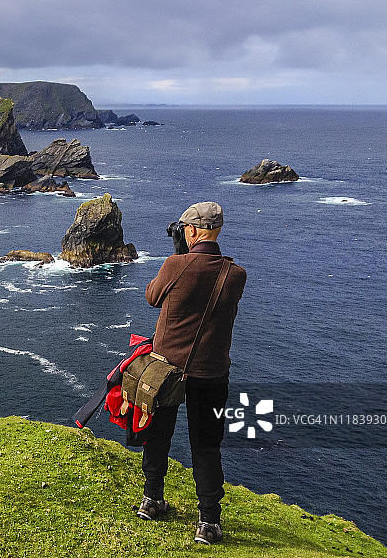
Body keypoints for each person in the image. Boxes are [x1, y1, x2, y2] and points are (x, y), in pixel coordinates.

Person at [137, 201, 246, 545]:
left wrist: (176, 256)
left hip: (167, 367)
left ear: (192, 231)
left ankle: (152, 500)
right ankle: (209, 522)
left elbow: (152, 296)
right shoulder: (236, 274)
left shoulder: (175, 265)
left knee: (158, 436)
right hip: (212, 372)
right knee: (207, 445)